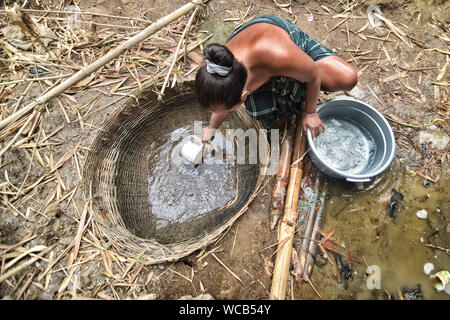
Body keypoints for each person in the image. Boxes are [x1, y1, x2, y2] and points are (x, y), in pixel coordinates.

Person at [195, 15, 358, 142]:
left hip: (276, 38)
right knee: (260, 110)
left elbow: (314, 74)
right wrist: (211, 129)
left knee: (347, 78)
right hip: (257, 50)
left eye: (231, 108)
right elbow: (222, 105)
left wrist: (311, 113)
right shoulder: (222, 71)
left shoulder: (279, 56)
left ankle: (299, 76)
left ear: (245, 94)